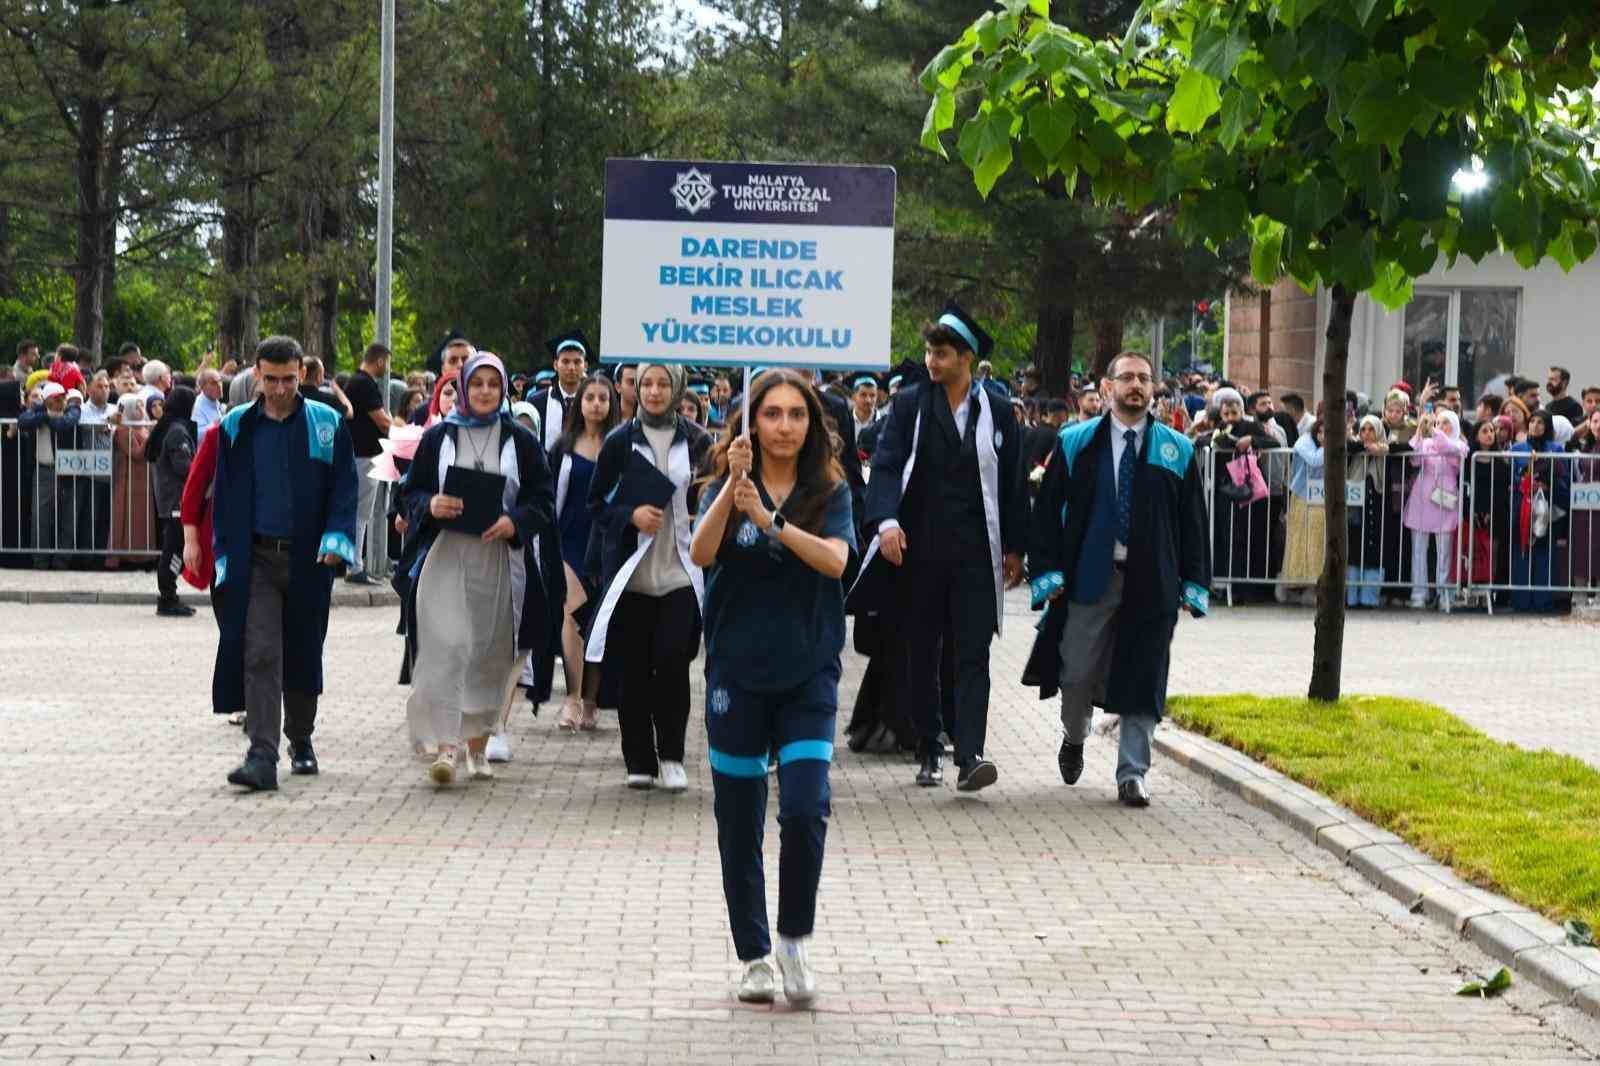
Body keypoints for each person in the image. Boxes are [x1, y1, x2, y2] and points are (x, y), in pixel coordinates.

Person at [689, 369, 855, 1006]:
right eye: (772, 414)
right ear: (752, 422)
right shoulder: (726, 487)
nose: (785, 426)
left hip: (809, 671)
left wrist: (771, 519)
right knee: (739, 820)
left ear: (811, 425)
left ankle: (793, 939)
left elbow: (836, 561)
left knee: (806, 808)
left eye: (796, 415)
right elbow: (702, 553)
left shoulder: (829, 491)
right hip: (736, 674)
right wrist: (734, 494)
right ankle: (754, 954)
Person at [851, 303, 1026, 792]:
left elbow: (1012, 482)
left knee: (973, 652)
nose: (932, 361)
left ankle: (970, 754)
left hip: (975, 554)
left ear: (966, 358)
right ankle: (928, 746)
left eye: (942, 354)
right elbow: (887, 465)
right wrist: (886, 523)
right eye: (929, 352)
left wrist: (1016, 547)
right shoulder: (910, 404)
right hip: (918, 552)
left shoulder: (997, 411)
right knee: (921, 651)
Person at [1023, 351, 1210, 807]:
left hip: (1153, 580)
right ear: (1108, 387)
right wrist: (1047, 572)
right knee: (1076, 672)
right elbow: (1047, 513)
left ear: (1154, 388)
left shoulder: (1177, 449)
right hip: (1090, 577)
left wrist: (1194, 583)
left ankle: (1132, 774)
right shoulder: (1075, 442)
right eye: (1127, 377)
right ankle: (1075, 735)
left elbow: (1192, 522)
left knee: (1145, 675)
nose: (1136, 385)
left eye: (1144, 378)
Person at [395, 351, 555, 785]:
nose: (485, 391)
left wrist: (515, 522)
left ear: (503, 390)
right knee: (447, 647)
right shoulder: (439, 436)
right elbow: (410, 492)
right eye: (477, 383)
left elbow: (542, 499)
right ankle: (446, 748)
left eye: (493, 384)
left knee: (488, 653)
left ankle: (478, 745)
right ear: (464, 387)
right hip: (446, 557)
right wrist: (430, 504)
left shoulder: (520, 441)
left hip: (500, 560)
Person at [211, 336, 359, 792]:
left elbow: (344, 488)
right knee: (259, 652)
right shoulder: (236, 426)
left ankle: (301, 737)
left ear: (303, 375)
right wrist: (222, 554)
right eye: (271, 379)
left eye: (288, 379)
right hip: (254, 557)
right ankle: (261, 754)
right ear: (256, 374)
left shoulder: (326, 424)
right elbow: (225, 494)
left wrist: (337, 539)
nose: (279, 389)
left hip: (308, 558)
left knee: (303, 648)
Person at [584, 362, 710, 791]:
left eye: (663, 384)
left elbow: (712, 494)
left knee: (673, 661)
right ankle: (638, 758)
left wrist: (701, 512)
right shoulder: (620, 441)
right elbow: (596, 505)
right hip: (632, 573)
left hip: (681, 570)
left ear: (678, 388)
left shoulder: (697, 440)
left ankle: (672, 754)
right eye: (647, 384)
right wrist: (630, 515)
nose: (655, 392)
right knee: (634, 667)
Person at [544, 372, 619, 732]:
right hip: (568, 542)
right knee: (572, 615)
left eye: (603, 398)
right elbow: (548, 499)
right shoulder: (562, 447)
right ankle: (572, 698)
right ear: (580, 404)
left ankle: (591, 700)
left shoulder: (621, 446)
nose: (596, 404)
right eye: (590, 398)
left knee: (599, 624)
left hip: (607, 545)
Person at [1193, 387, 1276, 602]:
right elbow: (1202, 441)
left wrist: (1252, 440)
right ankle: (1224, 585)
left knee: (1242, 538)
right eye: (1226, 414)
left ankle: (1242, 588)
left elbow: (1273, 442)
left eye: (1234, 413)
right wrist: (1213, 440)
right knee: (1223, 536)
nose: (1230, 418)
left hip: (1246, 491)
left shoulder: (1251, 426)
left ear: (1241, 411)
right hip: (1224, 490)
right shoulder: (1220, 428)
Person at [1402, 409, 1468, 611]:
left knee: (1444, 553)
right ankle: (1418, 594)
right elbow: (1415, 460)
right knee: (1418, 551)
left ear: (1455, 425)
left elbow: (1446, 448)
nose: (1441, 426)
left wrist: (1432, 431)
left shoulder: (1460, 445)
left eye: (1446, 422)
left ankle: (1443, 594)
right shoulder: (1427, 442)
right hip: (1422, 499)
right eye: (1438, 422)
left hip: (1445, 501)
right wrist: (1420, 432)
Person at [342, 343, 393, 584]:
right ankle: (355, 566)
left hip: (358, 453)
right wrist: (407, 436)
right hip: (364, 455)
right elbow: (382, 421)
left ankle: (354, 563)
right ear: (380, 361)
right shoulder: (365, 384)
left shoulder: (355, 381)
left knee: (359, 511)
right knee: (361, 512)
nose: (387, 369)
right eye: (387, 363)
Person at [146, 385, 198, 617]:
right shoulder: (177, 431)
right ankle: (168, 597)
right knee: (174, 551)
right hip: (177, 500)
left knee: (174, 549)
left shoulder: (170, 427)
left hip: (172, 499)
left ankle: (169, 594)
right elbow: (183, 466)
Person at [1509, 410, 1567, 613]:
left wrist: (1547, 486)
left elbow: (1563, 479)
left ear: (1547, 426)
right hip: (1523, 507)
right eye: (1532, 421)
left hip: (1547, 508)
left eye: (1541, 422)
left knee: (1544, 553)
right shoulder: (1517, 448)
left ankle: (1543, 601)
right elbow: (1511, 478)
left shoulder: (1556, 449)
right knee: (1522, 551)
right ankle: (1521, 601)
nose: (1535, 425)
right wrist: (1524, 483)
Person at [19, 381, 82, 564]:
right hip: (44, 469)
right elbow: (23, 421)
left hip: (69, 470)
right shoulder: (38, 410)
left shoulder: (72, 409)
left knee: (68, 516)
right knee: (41, 517)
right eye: (57, 398)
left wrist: (46, 419)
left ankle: (62, 561)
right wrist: (46, 415)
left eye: (63, 397)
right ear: (48, 400)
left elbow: (65, 423)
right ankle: (40, 560)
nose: (62, 400)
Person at [1278, 420, 1325, 604]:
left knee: (1318, 543)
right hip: (1302, 497)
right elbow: (1315, 460)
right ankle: (1291, 585)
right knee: (1300, 543)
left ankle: (1315, 587)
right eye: (1321, 432)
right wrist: (1329, 445)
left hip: (1322, 499)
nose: (1323, 436)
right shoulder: (1304, 441)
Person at [1347, 415, 1390, 608]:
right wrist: (1365, 447)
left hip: (1376, 510)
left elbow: (1398, 447)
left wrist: (1381, 449)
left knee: (1373, 550)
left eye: (1371, 429)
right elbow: (1348, 445)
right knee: (1355, 549)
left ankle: (1369, 597)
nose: (1366, 433)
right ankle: (1352, 597)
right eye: (1363, 429)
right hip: (1355, 511)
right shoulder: (1355, 448)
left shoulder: (1385, 449)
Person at [530, 331, 588, 452]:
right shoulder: (537, 402)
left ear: (585, 366)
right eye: (565, 361)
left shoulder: (592, 402)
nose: (571, 367)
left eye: (577, 362)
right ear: (556, 365)